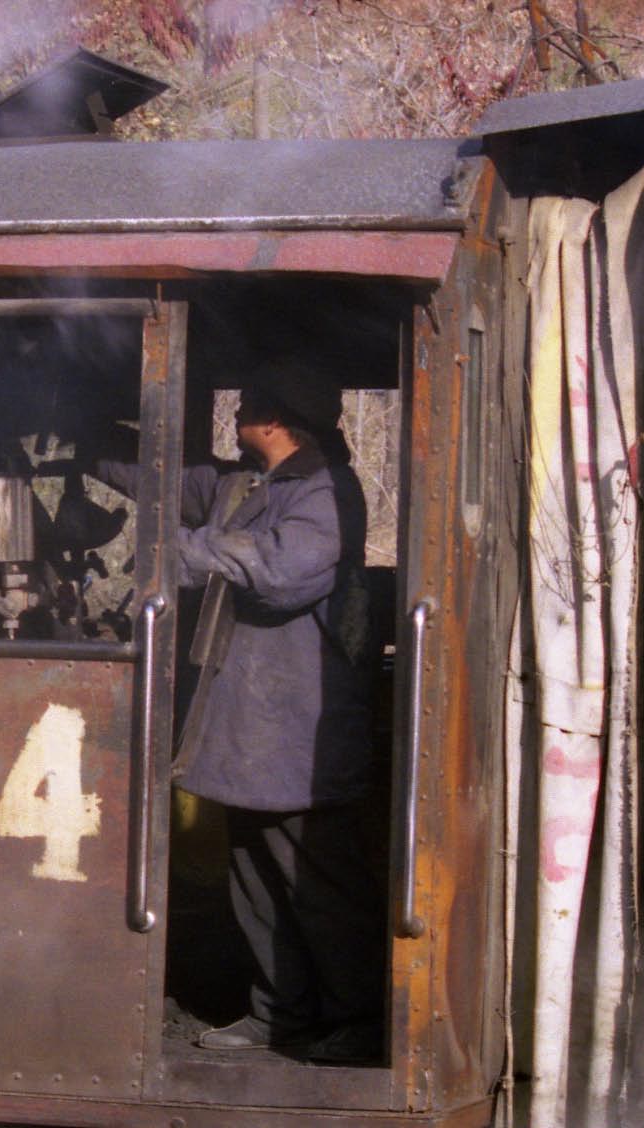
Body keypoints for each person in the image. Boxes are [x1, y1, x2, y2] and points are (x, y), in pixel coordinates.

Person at [98, 357, 383, 1062]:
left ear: (277, 420)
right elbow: (165, 485)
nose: (235, 413)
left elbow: (282, 572)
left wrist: (184, 553)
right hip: (250, 736)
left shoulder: (325, 493)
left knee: (318, 884)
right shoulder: (242, 486)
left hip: (298, 735)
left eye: (247, 402)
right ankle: (279, 1015)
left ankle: (359, 1020)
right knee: (255, 876)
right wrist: (91, 454)